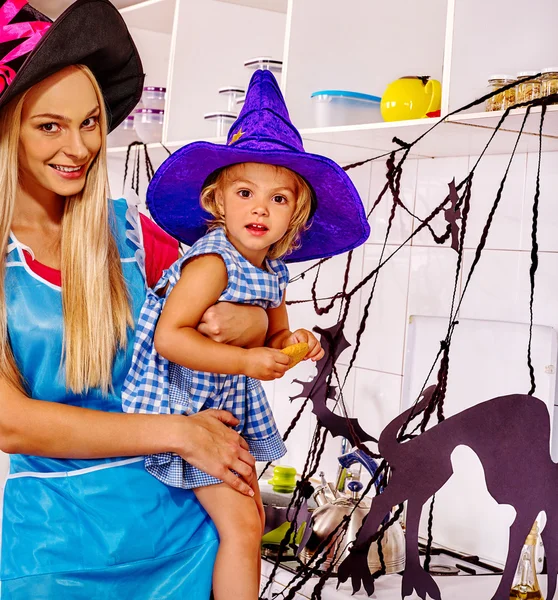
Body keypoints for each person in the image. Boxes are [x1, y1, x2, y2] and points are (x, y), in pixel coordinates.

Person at [0, 1, 269, 598]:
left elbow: (238, 315)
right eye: (50, 125)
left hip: (184, 545)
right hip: (55, 554)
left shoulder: (133, 237)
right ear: (8, 128)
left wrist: (249, 323)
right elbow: (11, 422)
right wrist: (177, 432)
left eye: (90, 122)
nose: (78, 146)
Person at [122, 69, 371, 600]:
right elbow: (170, 338)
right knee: (242, 524)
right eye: (245, 191)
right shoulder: (212, 263)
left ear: (295, 217)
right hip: (176, 407)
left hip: (220, 410)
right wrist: (244, 362)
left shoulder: (273, 273)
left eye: (279, 199)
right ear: (218, 200)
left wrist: (298, 345)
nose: (260, 207)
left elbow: (275, 339)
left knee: (248, 516)